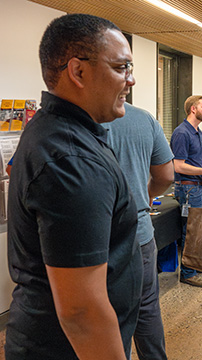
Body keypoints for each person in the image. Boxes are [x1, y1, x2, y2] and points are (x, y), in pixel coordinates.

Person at [6, 14, 142, 359]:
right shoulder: (70, 159)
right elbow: (82, 314)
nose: (132, 79)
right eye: (122, 67)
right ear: (78, 71)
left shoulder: (67, 133)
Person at [103, 102, 174, 360]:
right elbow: (166, 175)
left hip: (98, 237)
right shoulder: (144, 120)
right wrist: (146, 194)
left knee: (109, 317)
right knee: (147, 311)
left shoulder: (82, 117)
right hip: (140, 232)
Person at [171, 95, 202, 287]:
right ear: (193, 110)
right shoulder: (182, 133)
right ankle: (187, 273)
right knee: (190, 231)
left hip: (199, 187)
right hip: (188, 189)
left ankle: (196, 265)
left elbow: (199, 160)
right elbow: (178, 166)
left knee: (199, 230)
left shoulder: (198, 132)